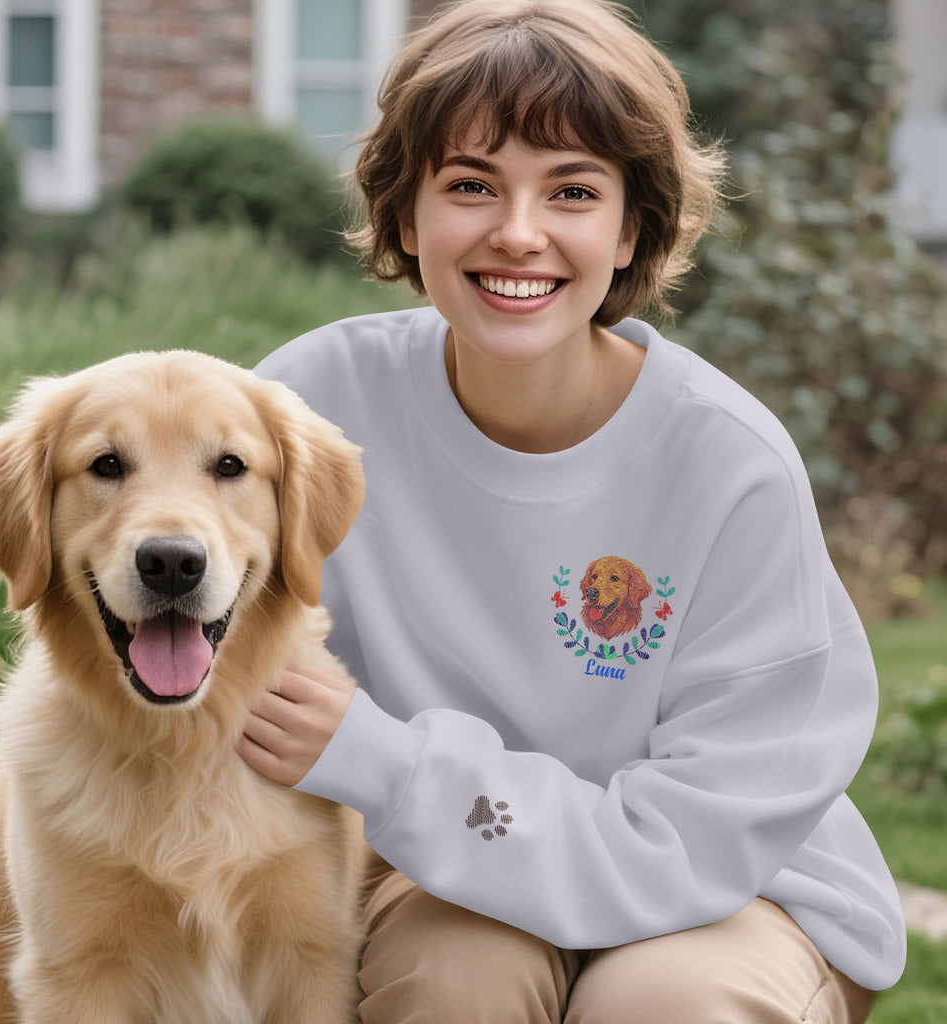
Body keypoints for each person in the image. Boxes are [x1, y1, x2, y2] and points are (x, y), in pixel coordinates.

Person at [238, 1, 907, 1020]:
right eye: (470, 184)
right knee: (453, 982)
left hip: (728, 889)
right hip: (440, 864)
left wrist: (381, 756)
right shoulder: (305, 411)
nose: (518, 233)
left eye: (572, 191)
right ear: (404, 212)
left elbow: (690, 843)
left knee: (661, 1002)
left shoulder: (729, 464)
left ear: (632, 223)